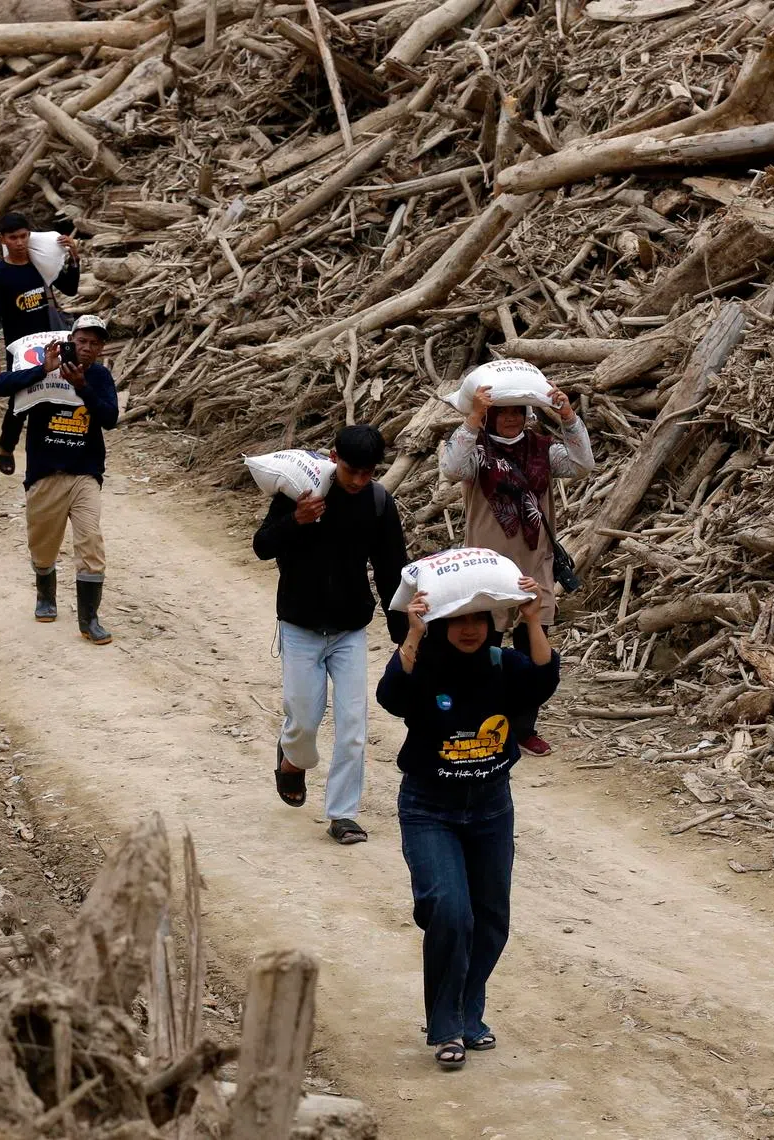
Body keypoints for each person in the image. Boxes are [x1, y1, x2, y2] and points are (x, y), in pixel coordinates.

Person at [376, 581, 559, 1071]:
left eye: (479, 619)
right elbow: (391, 696)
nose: (470, 629)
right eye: (458, 620)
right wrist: (411, 635)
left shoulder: (504, 665)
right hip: (428, 807)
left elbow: (543, 679)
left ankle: (466, 1013)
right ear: (441, 623)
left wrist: (533, 619)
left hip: (491, 810)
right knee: (450, 910)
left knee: (490, 918)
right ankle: (447, 1028)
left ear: (493, 623)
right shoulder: (426, 662)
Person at [254, 425, 409, 846]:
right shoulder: (298, 492)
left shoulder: (378, 503)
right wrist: (296, 520)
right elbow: (263, 546)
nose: (358, 481)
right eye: (350, 471)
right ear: (333, 456)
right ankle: (292, 758)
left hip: (349, 630)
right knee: (303, 718)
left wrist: (403, 637)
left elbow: (393, 569)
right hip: (300, 626)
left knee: (354, 725)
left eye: (367, 473)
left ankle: (343, 814)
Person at [439, 383, 593, 755]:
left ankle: (523, 727)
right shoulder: (475, 450)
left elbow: (583, 464)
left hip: (533, 565)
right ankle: (479, 723)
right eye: (503, 411)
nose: (510, 418)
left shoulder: (542, 450)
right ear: (491, 415)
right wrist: (473, 417)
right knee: (482, 647)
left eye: (518, 412)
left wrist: (568, 417)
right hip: (484, 567)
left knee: (531, 652)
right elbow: (451, 469)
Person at [0, 314, 118, 644]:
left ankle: (89, 620)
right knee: (43, 548)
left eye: (94, 343)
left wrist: (83, 388)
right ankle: (46, 596)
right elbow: (1, 387)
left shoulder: (100, 377)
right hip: (45, 473)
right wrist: (41, 369)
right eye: (81, 341)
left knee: (90, 542)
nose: (86, 348)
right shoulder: (45, 372)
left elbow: (110, 418)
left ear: (101, 348)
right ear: (70, 341)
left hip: (84, 475)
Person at [0, 211, 81, 475]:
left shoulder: (41, 264)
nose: (19, 242)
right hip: (20, 346)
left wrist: (73, 258)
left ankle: (50, 454)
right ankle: (7, 446)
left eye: (24, 236)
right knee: (21, 399)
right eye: (13, 237)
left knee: (57, 394)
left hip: (51, 339)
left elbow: (70, 288)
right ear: (2, 239)